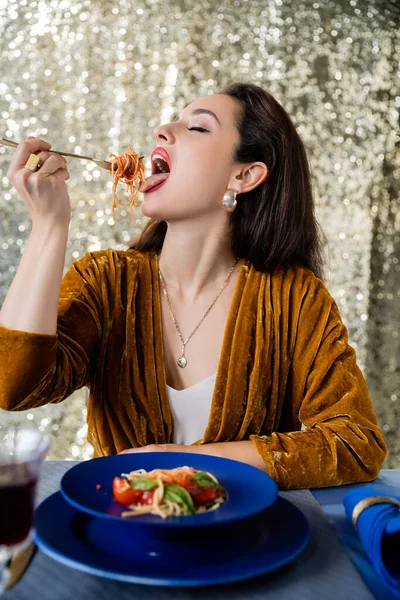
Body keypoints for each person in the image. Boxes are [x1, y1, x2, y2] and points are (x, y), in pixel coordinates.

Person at [0, 82, 386, 489]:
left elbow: (355, 443)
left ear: (244, 175)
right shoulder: (105, 281)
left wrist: (183, 459)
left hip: (244, 542)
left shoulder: (295, 299)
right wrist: (49, 225)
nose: (162, 131)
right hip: (120, 538)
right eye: (173, 121)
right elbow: (13, 386)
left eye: (197, 128)